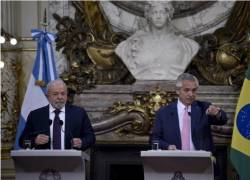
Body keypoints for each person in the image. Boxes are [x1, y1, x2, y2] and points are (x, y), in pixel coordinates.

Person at [115, 1, 199, 81]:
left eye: (162, 12)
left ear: (168, 15)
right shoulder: (131, 44)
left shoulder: (186, 45)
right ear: (148, 15)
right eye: (154, 12)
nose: (158, 16)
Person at [151, 73, 227, 151]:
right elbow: (154, 140)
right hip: (174, 160)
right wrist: (167, 146)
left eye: (194, 90)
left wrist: (217, 113)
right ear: (177, 91)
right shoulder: (163, 113)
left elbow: (223, 120)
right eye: (186, 90)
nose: (191, 94)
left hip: (200, 160)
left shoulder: (203, 108)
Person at [19, 79, 95, 150]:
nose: (60, 97)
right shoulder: (35, 115)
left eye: (63, 94)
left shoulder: (79, 113)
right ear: (48, 96)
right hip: (43, 161)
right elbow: (22, 142)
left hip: (71, 161)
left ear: (67, 95)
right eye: (55, 94)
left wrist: (82, 142)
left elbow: (91, 138)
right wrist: (34, 141)